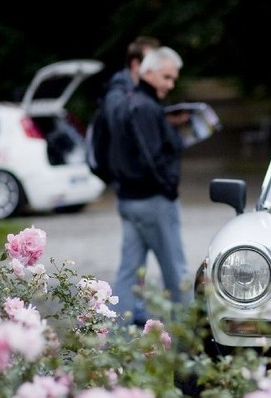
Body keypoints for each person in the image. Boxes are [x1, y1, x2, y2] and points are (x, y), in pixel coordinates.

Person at [107, 46, 192, 326]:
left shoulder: (126, 102)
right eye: (167, 77)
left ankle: (118, 337)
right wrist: (168, 187)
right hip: (152, 200)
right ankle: (188, 341)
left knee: (129, 272)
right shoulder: (143, 107)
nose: (171, 84)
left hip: (129, 200)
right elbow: (151, 157)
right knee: (175, 272)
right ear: (149, 72)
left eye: (173, 78)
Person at [88, 36, 160, 183]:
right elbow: (119, 123)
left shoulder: (141, 91)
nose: (156, 68)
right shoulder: (117, 92)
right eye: (152, 63)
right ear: (135, 64)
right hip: (127, 177)